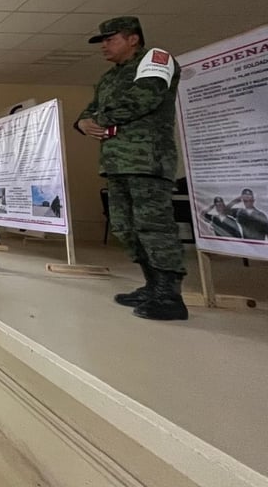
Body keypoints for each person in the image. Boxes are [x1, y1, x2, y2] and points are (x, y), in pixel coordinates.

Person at [76, 16, 187, 321]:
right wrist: (83, 122)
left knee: (154, 226)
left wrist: (96, 119)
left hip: (147, 160)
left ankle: (169, 294)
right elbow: (87, 112)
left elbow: (143, 99)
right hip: (116, 162)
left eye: (110, 39)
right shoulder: (109, 78)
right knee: (125, 226)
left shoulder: (155, 60)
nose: (104, 47)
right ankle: (152, 285)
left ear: (133, 38)